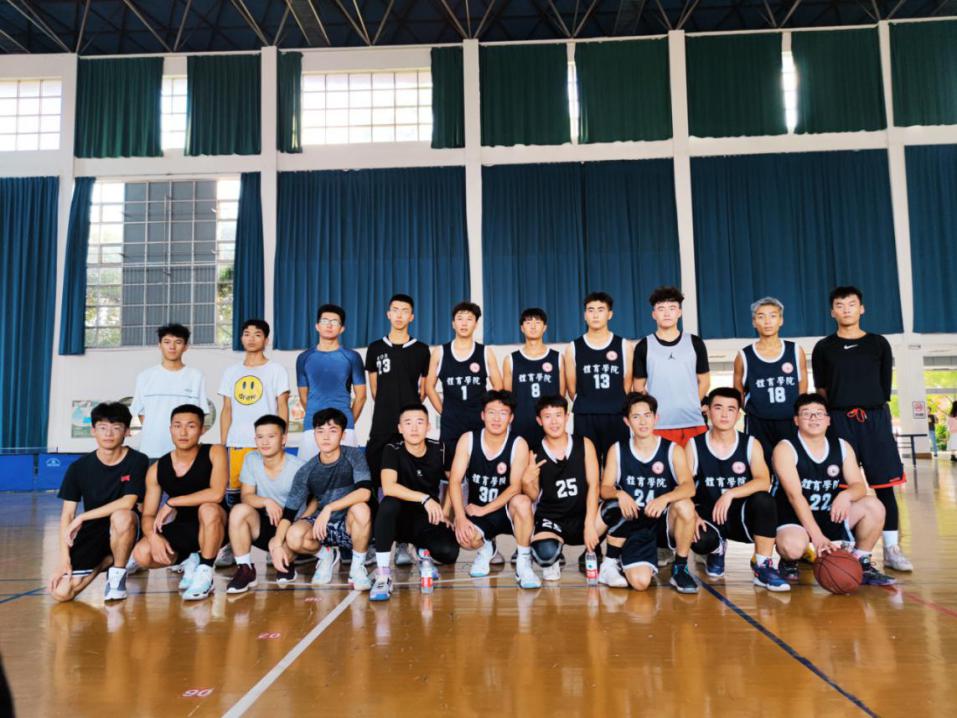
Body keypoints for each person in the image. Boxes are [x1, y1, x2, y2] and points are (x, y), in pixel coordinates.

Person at [811, 286, 911, 572]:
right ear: (832, 312)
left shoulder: (878, 343)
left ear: (862, 309)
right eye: (840, 305)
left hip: (874, 420)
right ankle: (845, 547)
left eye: (851, 304)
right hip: (839, 420)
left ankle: (891, 549)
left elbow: (883, 384)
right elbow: (821, 388)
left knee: (885, 487)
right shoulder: (824, 347)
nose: (846, 310)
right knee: (841, 487)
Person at [773, 393, 895, 586]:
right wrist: (817, 537)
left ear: (828, 420)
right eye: (806, 413)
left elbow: (859, 486)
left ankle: (861, 562)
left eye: (819, 413)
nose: (814, 418)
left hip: (829, 513)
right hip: (794, 516)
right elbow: (795, 497)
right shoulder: (785, 448)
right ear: (796, 420)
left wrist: (846, 495)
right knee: (792, 547)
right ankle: (789, 562)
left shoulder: (842, 446)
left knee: (874, 506)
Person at [686, 388, 789, 592]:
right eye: (718, 408)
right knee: (699, 539)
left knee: (765, 500)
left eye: (731, 409)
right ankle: (716, 548)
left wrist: (730, 493)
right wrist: (692, 516)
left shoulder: (750, 444)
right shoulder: (694, 445)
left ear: (738, 414)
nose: (724, 414)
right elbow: (684, 486)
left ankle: (763, 565)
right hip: (708, 515)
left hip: (741, 515)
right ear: (707, 411)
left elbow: (763, 481)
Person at [597, 393, 699, 594]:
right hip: (633, 524)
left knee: (685, 504)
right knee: (641, 583)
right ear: (627, 421)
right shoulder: (617, 450)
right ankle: (619, 558)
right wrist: (619, 494)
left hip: (663, 521)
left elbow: (689, 487)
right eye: (636, 417)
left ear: (656, 418)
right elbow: (605, 488)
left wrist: (664, 498)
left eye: (647, 415)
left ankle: (680, 567)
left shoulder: (672, 450)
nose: (642, 422)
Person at [49, 402, 149, 602]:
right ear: (93, 431)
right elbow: (67, 515)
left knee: (121, 516)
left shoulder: (137, 460)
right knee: (61, 593)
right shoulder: (79, 468)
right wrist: (64, 559)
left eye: (116, 427)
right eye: (102, 427)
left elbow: (128, 502)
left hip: (128, 527)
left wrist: (82, 517)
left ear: (127, 432)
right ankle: (109, 559)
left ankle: (117, 576)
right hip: (94, 530)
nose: (109, 433)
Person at [267, 409, 374, 591]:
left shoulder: (353, 456)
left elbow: (365, 493)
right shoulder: (307, 470)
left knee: (361, 509)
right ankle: (326, 556)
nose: (325, 437)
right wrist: (277, 544)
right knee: (293, 535)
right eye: (320, 431)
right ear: (314, 435)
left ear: (342, 435)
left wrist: (329, 508)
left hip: (349, 525)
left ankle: (357, 567)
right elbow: (288, 513)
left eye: (332, 430)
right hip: (321, 528)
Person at [130, 404, 228, 600]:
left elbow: (217, 494)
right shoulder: (157, 469)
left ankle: (205, 571)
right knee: (142, 553)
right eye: (177, 426)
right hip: (184, 526)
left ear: (202, 430)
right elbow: (148, 514)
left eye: (191, 426)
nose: (183, 432)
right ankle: (190, 559)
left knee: (208, 509)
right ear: (170, 429)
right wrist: (153, 537)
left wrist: (173, 502)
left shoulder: (215, 452)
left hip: (217, 523)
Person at [448, 391, 540, 588]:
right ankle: (486, 548)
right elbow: (454, 481)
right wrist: (461, 517)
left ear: (511, 417)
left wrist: (485, 509)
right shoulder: (468, 439)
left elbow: (515, 487)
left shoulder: (518, 444)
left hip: (506, 510)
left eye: (503, 413)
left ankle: (524, 563)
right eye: (491, 412)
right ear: (483, 415)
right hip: (478, 509)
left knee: (523, 502)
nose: (497, 418)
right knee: (465, 538)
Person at [370, 404, 460, 601]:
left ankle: (422, 552)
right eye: (408, 423)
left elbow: (453, 482)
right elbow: (389, 487)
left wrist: (445, 512)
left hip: (427, 517)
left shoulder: (440, 449)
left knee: (449, 552)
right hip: (398, 518)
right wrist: (424, 498)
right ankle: (383, 574)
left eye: (420, 422)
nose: (414, 428)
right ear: (400, 428)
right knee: (388, 504)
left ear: (428, 426)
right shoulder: (392, 449)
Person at [521, 396, 602, 581]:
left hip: (583, 518)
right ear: (539, 420)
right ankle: (554, 556)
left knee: (615, 508)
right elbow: (533, 496)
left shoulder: (584, 444)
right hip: (552, 519)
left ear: (567, 417)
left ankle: (611, 562)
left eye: (558, 415)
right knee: (545, 553)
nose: (554, 421)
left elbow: (594, 486)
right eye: (547, 416)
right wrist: (526, 481)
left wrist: (590, 524)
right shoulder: (534, 452)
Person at [224, 414, 305, 593]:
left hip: (291, 527)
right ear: (255, 440)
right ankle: (245, 569)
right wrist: (266, 501)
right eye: (260, 437)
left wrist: (280, 540)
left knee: (283, 561)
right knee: (238, 510)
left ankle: (287, 560)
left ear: (283, 439)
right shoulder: (251, 459)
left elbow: (311, 504)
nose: (265, 442)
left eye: (271, 436)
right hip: (264, 523)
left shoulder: (298, 467)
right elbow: (246, 496)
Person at [219, 319, 290, 508]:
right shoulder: (231, 372)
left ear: (266, 340)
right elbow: (227, 409)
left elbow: (282, 406)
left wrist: (282, 437)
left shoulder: (276, 370)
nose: (251, 338)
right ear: (241, 338)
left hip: (266, 443)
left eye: (257, 334)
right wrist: (224, 442)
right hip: (237, 443)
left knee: (265, 493)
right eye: (247, 334)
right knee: (235, 496)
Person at [632, 286, 710, 448]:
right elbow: (638, 387)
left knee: (696, 464)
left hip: (693, 421)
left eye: (672, 308)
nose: (667, 313)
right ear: (654, 314)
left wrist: (691, 403)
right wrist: (654, 408)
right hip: (659, 424)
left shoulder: (695, 343)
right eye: (661, 309)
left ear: (679, 312)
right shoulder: (644, 346)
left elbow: (704, 381)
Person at [732, 298, 807, 466]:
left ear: (781, 320)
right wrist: (755, 410)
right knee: (760, 468)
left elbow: (802, 387)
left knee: (793, 467)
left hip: (790, 421)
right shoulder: (744, 355)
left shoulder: (795, 350)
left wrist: (798, 413)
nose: (767, 321)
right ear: (754, 322)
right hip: (758, 423)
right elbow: (738, 392)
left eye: (772, 316)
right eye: (761, 316)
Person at [426, 301, 503, 460]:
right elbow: (429, 387)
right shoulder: (440, 352)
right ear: (453, 323)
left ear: (476, 324)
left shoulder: (485, 352)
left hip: (478, 420)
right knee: (449, 466)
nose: (464, 323)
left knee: (479, 464)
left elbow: (499, 386)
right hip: (451, 422)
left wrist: (487, 411)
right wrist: (444, 411)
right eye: (460, 318)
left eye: (469, 319)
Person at [564, 292, 632, 464]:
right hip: (585, 415)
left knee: (616, 464)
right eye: (591, 310)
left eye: (601, 310)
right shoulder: (573, 347)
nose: (595, 315)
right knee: (586, 465)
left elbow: (627, 383)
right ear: (585, 315)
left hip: (616, 414)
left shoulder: (624, 345)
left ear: (610, 314)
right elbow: (571, 388)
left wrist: (613, 401)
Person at [295, 305, 366, 460]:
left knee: (347, 472)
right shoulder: (304, 358)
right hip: (312, 427)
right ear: (317, 326)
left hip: (344, 428)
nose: (329, 325)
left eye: (334, 322)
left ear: (342, 329)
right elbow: (303, 397)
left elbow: (361, 396)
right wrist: (318, 419)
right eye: (325, 321)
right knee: (309, 472)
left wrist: (346, 422)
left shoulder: (352, 357)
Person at [131, 323, 207, 460]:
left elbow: (199, 415)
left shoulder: (196, 376)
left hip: (185, 453)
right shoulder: (144, 377)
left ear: (186, 347)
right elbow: (142, 415)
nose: (172, 347)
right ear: (159, 345)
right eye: (167, 342)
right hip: (151, 451)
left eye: (178, 342)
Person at [502, 307, 564, 446]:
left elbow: (561, 395)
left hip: (549, 424)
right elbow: (508, 399)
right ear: (522, 328)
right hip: (521, 423)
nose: (533, 326)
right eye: (528, 322)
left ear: (545, 327)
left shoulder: (557, 358)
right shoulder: (511, 360)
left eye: (538, 322)